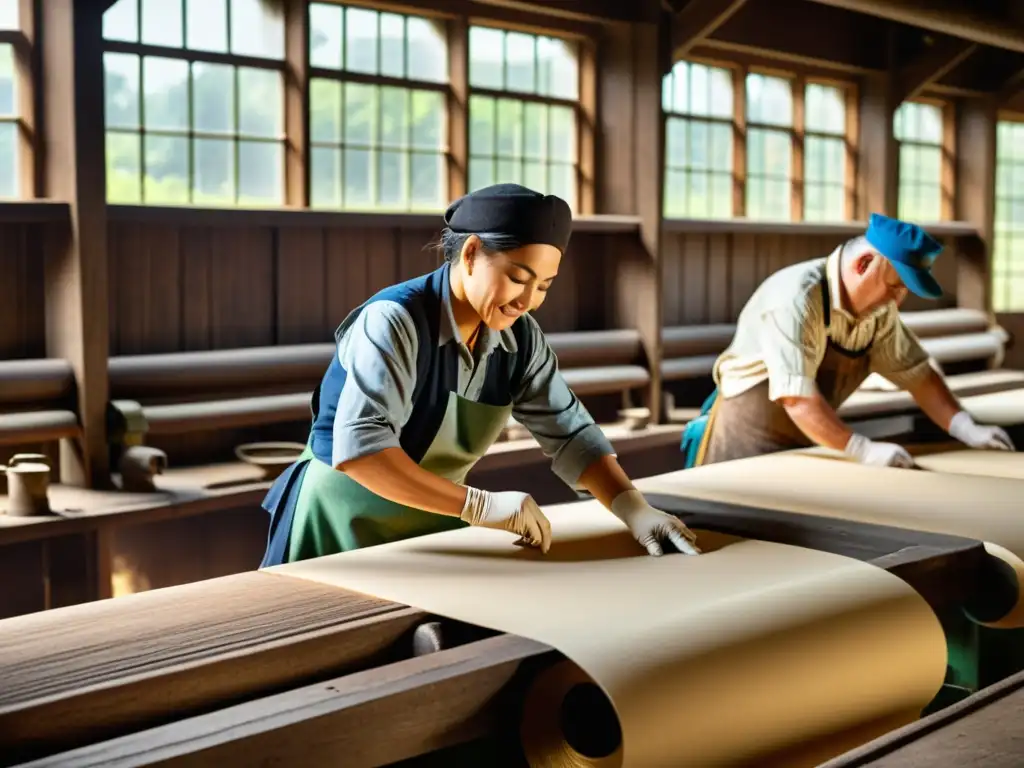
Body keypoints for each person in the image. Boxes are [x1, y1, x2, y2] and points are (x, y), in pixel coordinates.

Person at [260, 183, 699, 566]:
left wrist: (633, 507)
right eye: (517, 277)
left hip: (430, 519)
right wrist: (477, 504)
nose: (528, 300)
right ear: (471, 253)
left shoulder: (520, 339)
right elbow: (363, 452)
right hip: (336, 521)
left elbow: (570, 434)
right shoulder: (394, 320)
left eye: (544, 285)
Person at [681, 213, 1014, 469]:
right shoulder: (795, 299)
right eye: (894, 286)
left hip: (805, 443)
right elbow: (797, 399)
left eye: (903, 292)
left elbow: (918, 374)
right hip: (740, 445)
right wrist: (861, 449)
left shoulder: (878, 313)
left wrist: (966, 427)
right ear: (864, 263)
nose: (897, 301)